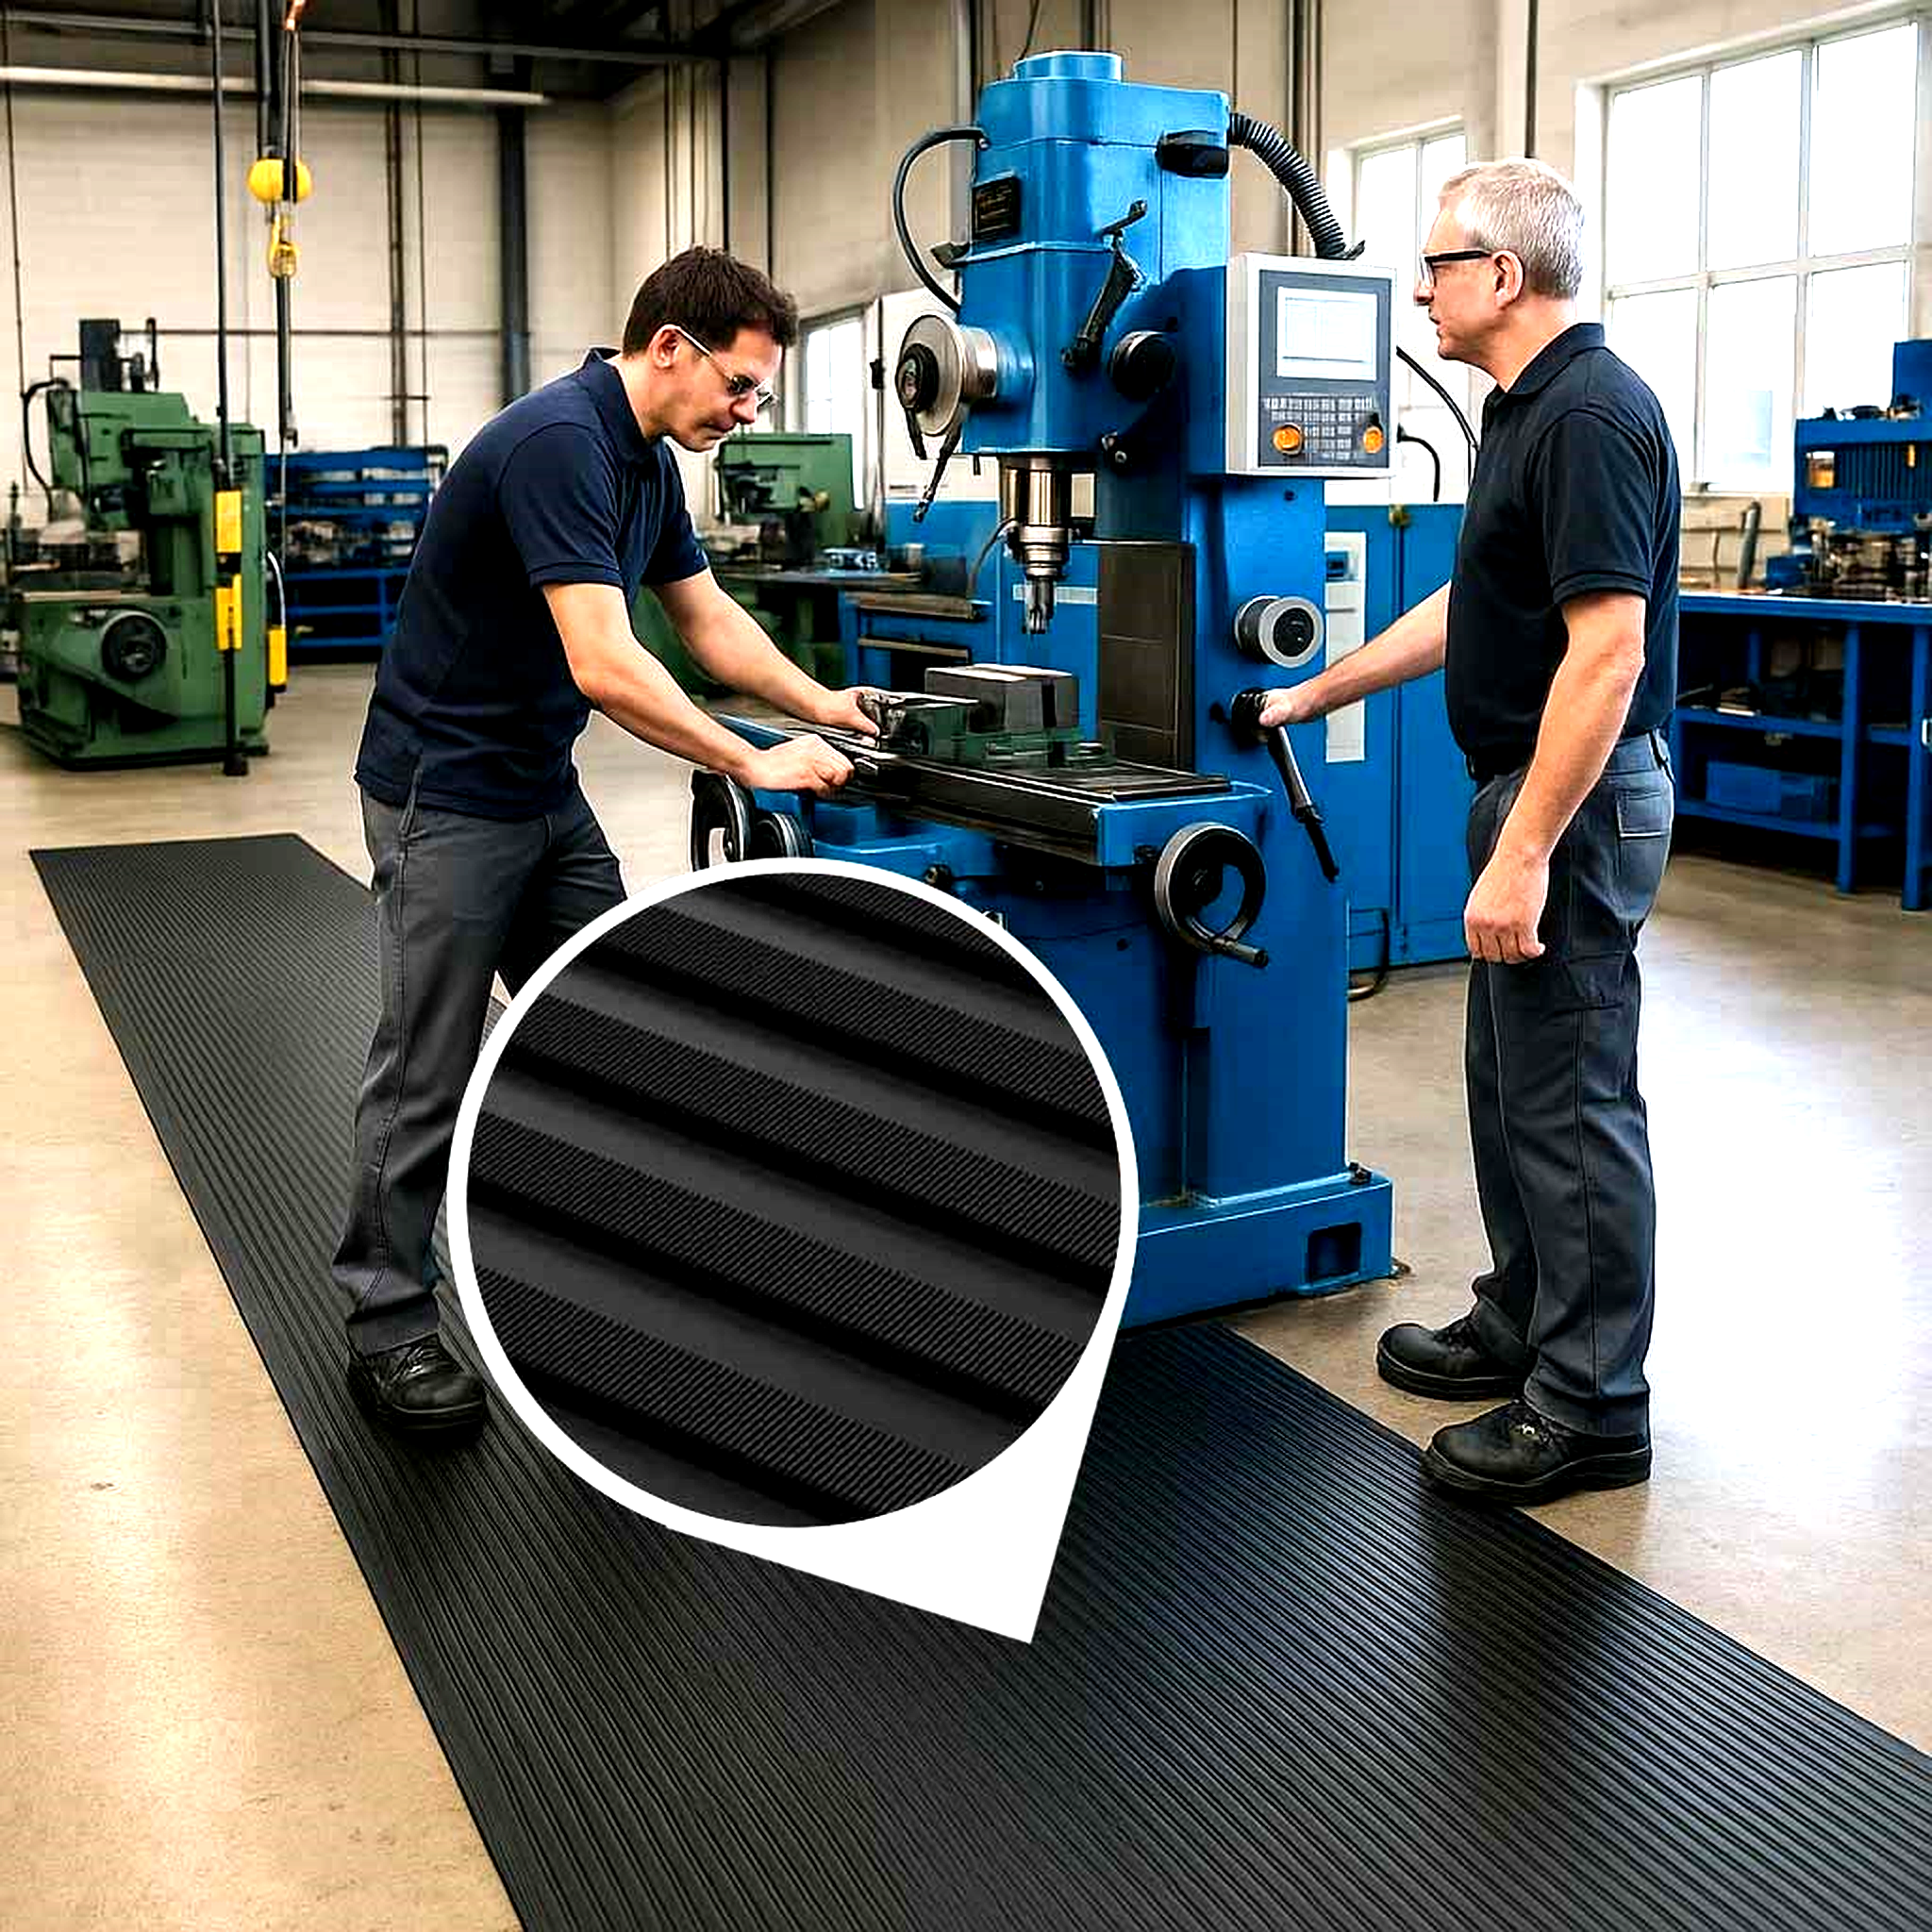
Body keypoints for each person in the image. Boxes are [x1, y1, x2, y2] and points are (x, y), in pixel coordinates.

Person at [334, 245, 875, 1437]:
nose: (747, 413)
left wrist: (816, 701)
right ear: (669, 346)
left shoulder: (642, 464)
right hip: (447, 794)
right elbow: (606, 661)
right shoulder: (557, 444)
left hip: (536, 784)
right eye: (739, 386)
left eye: (759, 396)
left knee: (618, 1018)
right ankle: (387, 1324)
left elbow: (703, 616)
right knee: (429, 1067)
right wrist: (748, 755)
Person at [1261, 159, 1679, 1505]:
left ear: (1505, 276)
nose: (1423, 289)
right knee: (1514, 1091)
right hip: (1529, 787)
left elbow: (1607, 655)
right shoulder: (1524, 410)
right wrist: (1315, 688)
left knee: (1573, 1102)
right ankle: (1523, 1323)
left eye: (1439, 264)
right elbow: (1476, 603)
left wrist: (1523, 849)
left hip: (1574, 800)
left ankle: (1594, 1407)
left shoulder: (1591, 417)